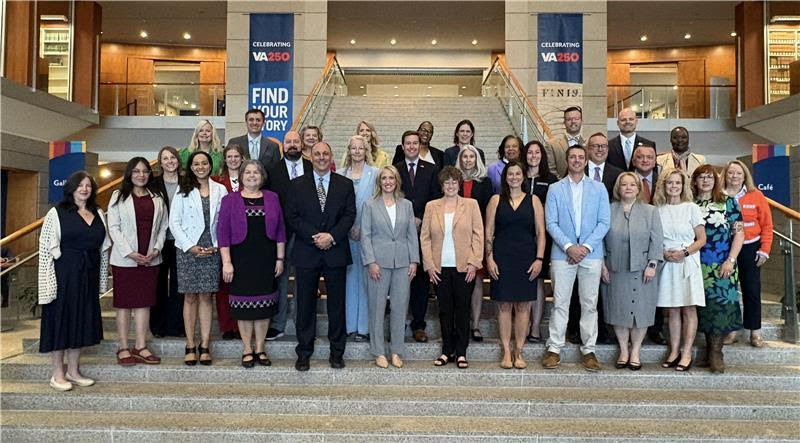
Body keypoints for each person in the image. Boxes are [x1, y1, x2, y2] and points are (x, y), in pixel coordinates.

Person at [286, 141, 356, 371]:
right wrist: (316, 236)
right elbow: (293, 217)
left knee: (337, 306)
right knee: (305, 305)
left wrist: (331, 237)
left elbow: (349, 215)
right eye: (317, 154)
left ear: (331, 156)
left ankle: (337, 352)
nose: (322, 157)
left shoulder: (344, 184)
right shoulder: (297, 185)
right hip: (307, 251)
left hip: (335, 252)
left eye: (326, 153)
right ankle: (304, 352)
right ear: (310, 156)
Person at [38, 171, 110, 391]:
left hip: (88, 273)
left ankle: (73, 370)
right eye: (80, 185)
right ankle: (57, 374)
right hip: (64, 273)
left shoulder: (98, 212)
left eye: (88, 185)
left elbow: (104, 245)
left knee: (81, 320)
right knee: (61, 321)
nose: (84, 189)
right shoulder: (57, 212)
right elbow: (46, 248)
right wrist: (47, 282)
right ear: (71, 187)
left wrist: (101, 278)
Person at [542, 145, 610, 372]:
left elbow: (604, 223)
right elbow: (551, 222)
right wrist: (570, 247)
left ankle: (589, 349)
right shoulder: (555, 188)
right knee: (560, 303)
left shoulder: (599, 189)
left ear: (587, 160)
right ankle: (554, 348)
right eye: (573, 157)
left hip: (591, 255)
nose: (577, 160)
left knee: (589, 304)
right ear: (567, 160)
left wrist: (586, 247)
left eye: (581, 157)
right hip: (563, 255)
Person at [217, 160, 286, 368]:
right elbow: (223, 233)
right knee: (244, 306)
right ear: (241, 176)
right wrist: (226, 262)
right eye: (247, 172)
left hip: (266, 259)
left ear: (262, 176)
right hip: (240, 260)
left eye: (256, 172)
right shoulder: (230, 200)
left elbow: (281, 230)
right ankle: (247, 348)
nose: (252, 175)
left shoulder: (272, 198)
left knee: (264, 306)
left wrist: (280, 259)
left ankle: (261, 348)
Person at [421, 166, 484, 369]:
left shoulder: (471, 205)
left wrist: (475, 263)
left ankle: (462, 352)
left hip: (465, 267)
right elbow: (425, 237)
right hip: (440, 268)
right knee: (445, 310)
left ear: (459, 184)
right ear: (442, 185)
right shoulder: (432, 206)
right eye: (447, 182)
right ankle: (447, 350)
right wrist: (429, 265)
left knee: (462, 309)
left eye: (454, 182)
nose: (450, 185)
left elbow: (478, 235)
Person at [107, 157, 169, 366]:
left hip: (150, 259)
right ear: (129, 174)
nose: (141, 175)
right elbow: (113, 227)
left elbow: (163, 227)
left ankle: (140, 346)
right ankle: (123, 346)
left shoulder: (157, 197)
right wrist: (130, 252)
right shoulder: (118, 196)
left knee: (144, 303)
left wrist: (156, 249)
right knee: (124, 304)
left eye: (144, 171)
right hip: (125, 260)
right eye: (136, 171)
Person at [169, 151, 228, 366]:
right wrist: (190, 246)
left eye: (204, 163)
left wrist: (218, 244)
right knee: (190, 297)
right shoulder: (182, 189)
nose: (201, 167)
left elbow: (224, 220)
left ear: (210, 166)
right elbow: (174, 222)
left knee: (206, 297)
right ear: (191, 167)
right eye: (196, 164)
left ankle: (204, 345)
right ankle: (190, 344)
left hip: (211, 249)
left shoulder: (220, 189)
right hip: (188, 250)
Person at [486, 160, 546, 369]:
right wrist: (489, 258)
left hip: (526, 258)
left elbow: (540, 233)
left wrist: (539, 259)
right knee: (503, 305)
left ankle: (519, 351)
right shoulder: (495, 200)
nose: (513, 177)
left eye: (517, 174)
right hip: (502, 258)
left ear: (523, 176)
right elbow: (489, 233)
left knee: (523, 306)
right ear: (505, 177)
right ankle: (506, 350)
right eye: (510, 174)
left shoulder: (534, 200)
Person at [600, 172, 664, 370]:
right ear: (618, 188)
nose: (628, 188)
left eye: (632, 185)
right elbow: (599, 238)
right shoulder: (608, 210)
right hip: (614, 267)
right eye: (623, 184)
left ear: (638, 188)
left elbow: (657, 239)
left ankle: (635, 350)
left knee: (641, 310)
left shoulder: (651, 211)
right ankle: (623, 350)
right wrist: (602, 264)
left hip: (644, 268)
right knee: (618, 309)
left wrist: (652, 264)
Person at [360, 165, 419, 368]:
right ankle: (378, 351)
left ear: (397, 181)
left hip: (402, 263)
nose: (387, 182)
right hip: (378, 263)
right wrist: (370, 262)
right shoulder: (370, 205)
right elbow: (365, 235)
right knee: (377, 308)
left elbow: (411, 234)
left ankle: (396, 351)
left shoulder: (406, 205)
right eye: (384, 178)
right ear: (379, 182)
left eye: (391, 178)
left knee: (400, 307)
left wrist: (414, 261)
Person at [692, 165, 744, 373]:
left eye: (709, 177)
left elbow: (739, 234)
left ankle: (716, 352)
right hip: (697, 264)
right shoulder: (690, 204)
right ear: (694, 181)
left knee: (721, 307)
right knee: (703, 309)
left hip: (723, 263)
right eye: (701, 177)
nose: (705, 181)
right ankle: (708, 350)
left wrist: (731, 260)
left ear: (716, 180)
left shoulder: (727, 202)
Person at [654, 168, 707, 372]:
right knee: (672, 309)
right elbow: (655, 238)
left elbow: (702, 239)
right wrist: (664, 253)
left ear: (683, 185)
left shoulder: (691, 207)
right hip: (667, 262)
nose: (674, 186)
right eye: (670, 183)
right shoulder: (657, 209)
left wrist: (684, 252)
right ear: (663, 186)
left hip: (687, 261)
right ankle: (674, 351)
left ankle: (686, 353)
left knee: (688, 308)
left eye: (677, 183)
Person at [264, 130, 313, 340]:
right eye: (288, 141)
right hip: (281, 234)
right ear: (283, 145)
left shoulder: (312, 168)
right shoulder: (272, 170)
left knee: (305, 279)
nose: (292, 145)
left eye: (296, 141)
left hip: (306, 233)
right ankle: (278, 323)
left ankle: (303, 322)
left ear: (302, 144)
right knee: (280, 279)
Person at [576, 132, 624, 344]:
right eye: (595, 146)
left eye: (604, 146)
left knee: (604, 287)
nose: (600, 150)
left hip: (610, 236)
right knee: (580, 291)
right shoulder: (576, 171)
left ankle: (604, 330)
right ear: (587, 149)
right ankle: (576, 330)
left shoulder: (618, 174)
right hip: (581, 242)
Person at [394, 130, 442, 343]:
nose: (412, 147)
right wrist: (407, 218)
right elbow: (391, 197)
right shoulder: (395, 170)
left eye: (415, 143)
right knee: (399, 278)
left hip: (424, 231)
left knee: (421, 279)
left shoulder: (431, 169)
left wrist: (421, 217)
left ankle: (419, 325)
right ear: (402, 146)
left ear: (419, 146)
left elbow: (436, 198)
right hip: (399, 232)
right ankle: (397, 323)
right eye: (408, 144)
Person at [722, 160, 773, 347]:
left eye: (738, 173)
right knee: (728, 290)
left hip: (751, 246)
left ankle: (755, 332)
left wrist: (764, 250)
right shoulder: (719, 196)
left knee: (751, 289)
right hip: (725, 248)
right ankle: (732, 330)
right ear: (725, 175)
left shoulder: (755, 195)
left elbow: (767, 225)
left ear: (745, 176)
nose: (734, 176)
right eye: (730, 173)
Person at [338, 135, 378, 341]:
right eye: (353, 148)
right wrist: (346, 228)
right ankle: (349, 325)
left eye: (360, 148)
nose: (356, 151)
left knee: (366, 281)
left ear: (366, 150)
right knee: (348, 280)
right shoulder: (339, 174)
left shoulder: (375, 174)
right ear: (348, 150)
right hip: (344, 236)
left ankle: (364, 327)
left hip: (368, 235)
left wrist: (363, 228)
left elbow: (378, 204)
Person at [454, 145, 492, 342]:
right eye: (464, 156)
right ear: (460, 159)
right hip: (456, 238)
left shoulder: (485, 183)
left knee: (476, 280)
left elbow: (487, 211)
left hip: (477, 236)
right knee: (458, 279)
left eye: (471, 156)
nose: (468, 160)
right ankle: (458, 323)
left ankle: (475, 325)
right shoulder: (453, 181)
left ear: (477, 159)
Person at [521, 140, 558, 342]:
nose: (533, 156)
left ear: (542, 156)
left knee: (537, 282)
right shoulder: (518, 177)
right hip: (521, 237)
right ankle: (523, 324)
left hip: (543, 237)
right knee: (523, 280)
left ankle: (535, 327)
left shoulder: (551, 180)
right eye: (529, 152)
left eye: (537, 152)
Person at [211, 143, 247, 340]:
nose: (233, 160)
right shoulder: (216, 181)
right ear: (224, 159)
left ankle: (241, 324)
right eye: (229, 156)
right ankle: (227, 326)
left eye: (236, 156)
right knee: (224, 285)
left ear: (242, 158)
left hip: (245, 239)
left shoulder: (249, 178)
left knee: (241, 283)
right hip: (223, 237)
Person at [150, 146, 184, 338]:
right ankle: (158, 325)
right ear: (160, 162)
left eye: (172, 157)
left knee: (179, 285)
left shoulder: (187, 182)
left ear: (178, 161)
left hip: (181, 241)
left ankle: (177, 325)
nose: (170, 161)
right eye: (165, 158)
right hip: (159, 242)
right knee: (159, 284)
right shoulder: (153, 184)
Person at [607, 107, 656, 171]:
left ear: (636, 121)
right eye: (623, 120)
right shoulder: (608, 145)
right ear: (618, 123)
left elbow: (654, 171)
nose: (627, 122)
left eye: (631, 119)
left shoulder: (649, 144)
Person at [545, 106, 585, 178]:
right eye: (569, 119)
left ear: (581, 121)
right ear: (564, 122)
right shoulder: (552, 145)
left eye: (576, 119)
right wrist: (562, 185)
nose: (573, 121)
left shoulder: (589, 144)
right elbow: (550, 170)